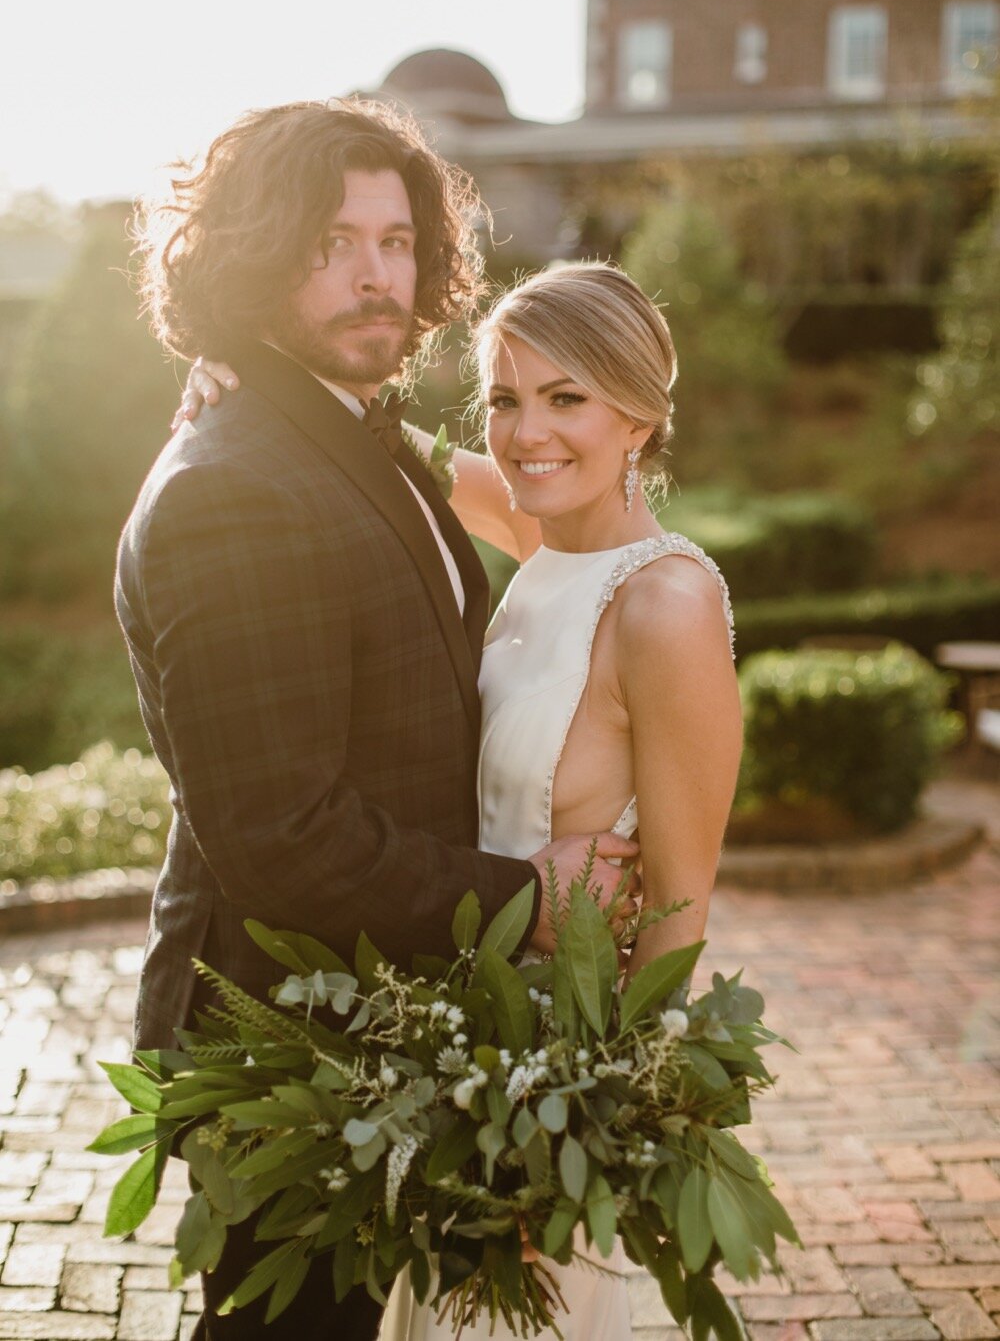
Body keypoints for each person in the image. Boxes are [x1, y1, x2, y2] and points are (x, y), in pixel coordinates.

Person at [116, 99, 641, 1341]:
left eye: (396, 241)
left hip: (388, 1018)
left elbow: (545, 525)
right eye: (327, 243)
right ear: (249, 256)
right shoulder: (234, 488)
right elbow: (282, 837)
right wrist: (531, 898)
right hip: (288, 1049)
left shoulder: (352, 435)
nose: (374, 274)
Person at [180, 261, 744, 1340]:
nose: (527, 432)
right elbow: (371, 445)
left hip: (542, 1092)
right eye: (503, 397)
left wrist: (571, 1140)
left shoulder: (665, 604)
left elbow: (677, 915)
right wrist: (242, 384)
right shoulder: (542, 532)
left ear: (640, 416)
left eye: (566, 397)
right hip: (438, 1056)